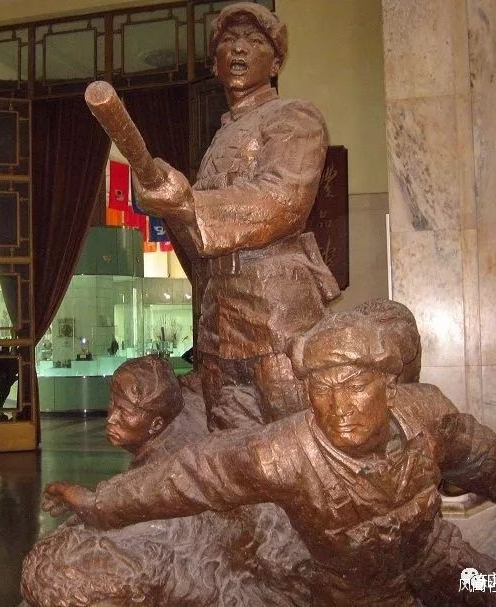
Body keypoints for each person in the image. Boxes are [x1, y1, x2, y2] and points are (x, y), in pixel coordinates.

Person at [41, 310, 496, 606]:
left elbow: (483, 456)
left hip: (434, 555)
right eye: (321, 389)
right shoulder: (281, 455)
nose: (337, 408)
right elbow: (185, 477)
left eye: (354, 386)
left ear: (390, 386)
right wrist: (96, 503)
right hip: (357, 593)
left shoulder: (429, 415)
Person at [132, 2, 340, 430]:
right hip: (219, 314)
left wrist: (188, 203)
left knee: (293, 434)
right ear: (215, 64)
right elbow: (199, 240)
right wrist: (167, 205)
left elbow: (283, 201)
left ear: (276, 61)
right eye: (229, 40)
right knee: (230, 444)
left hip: (275, 308)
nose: (239, 48)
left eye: (254, 40)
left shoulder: (294, 116)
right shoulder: (219, 139)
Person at [22, 356, 311, 607]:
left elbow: (151, 503)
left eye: (125, 412)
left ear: (156, 424)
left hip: (268, 576)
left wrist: (88, 506)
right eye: (112, 405)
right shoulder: (182, 407)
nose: (111, 418)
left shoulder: (172, 467)